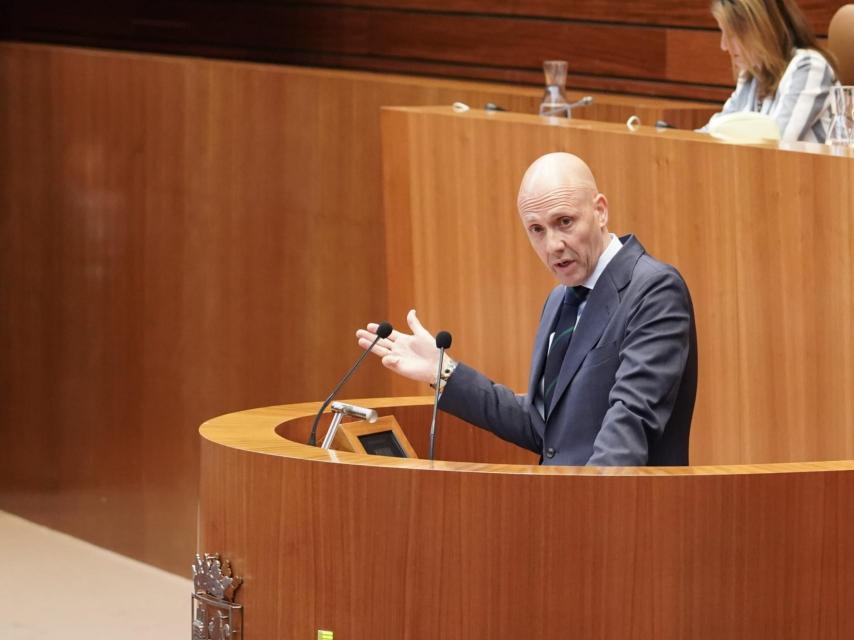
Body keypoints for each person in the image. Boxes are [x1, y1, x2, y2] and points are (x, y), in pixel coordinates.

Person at [357, 153, 697, 466]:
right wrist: (444, 373)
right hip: (564, 511)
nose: (553, 245)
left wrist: (583, 513)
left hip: (619, 516)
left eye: (565, 222)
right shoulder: (559, 300)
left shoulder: (653, 289)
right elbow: (545, 430)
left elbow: (630, 423)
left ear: (601, 211)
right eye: (537, 230)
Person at [700, 0, 839, 143]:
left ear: (761, 29)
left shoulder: (809, 68)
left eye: (731, 34)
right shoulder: (752, 73)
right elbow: (716, 130)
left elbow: (775, 143)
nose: (723, 45)